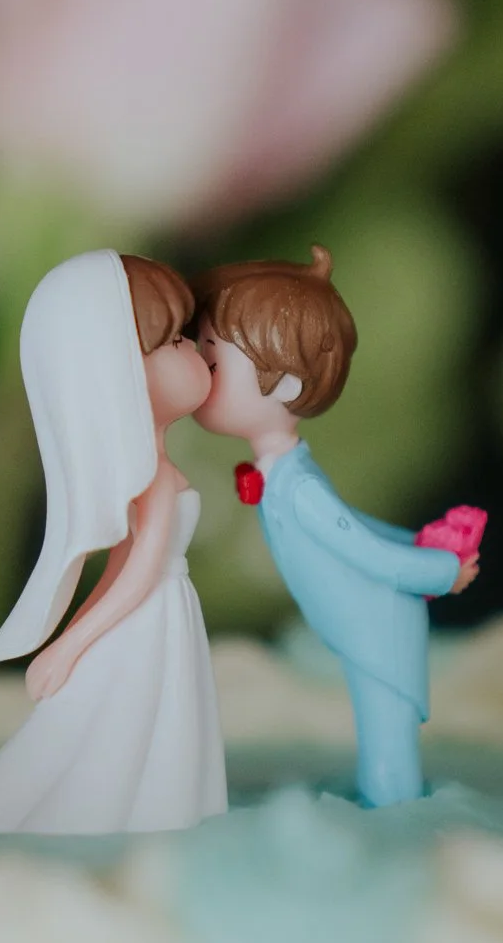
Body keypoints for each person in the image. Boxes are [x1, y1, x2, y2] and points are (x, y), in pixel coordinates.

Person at [0, 249, 226, 834]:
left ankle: (151, 807)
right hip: (153, 614)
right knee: (137, 715)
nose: (195, 349)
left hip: (155, 612)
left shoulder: (145, 473)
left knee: (139, 716)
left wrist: (74, 637)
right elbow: (135, 574)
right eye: (175, 342)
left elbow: (121, 572)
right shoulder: (154, 480)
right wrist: (73, 643)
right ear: (120, 369)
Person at [193, 246, 478, 807]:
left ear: (286, 385)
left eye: (213, 361)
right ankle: (383, 790)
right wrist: (420, 543)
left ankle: (393, 802)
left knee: (386, 724)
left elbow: (367, 551)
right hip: (356, 620)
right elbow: (362, 529)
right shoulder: (282, 474)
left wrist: (442, 571)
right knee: (379, 721)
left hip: (376, 621)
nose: (199, 373)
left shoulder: (299, 488)